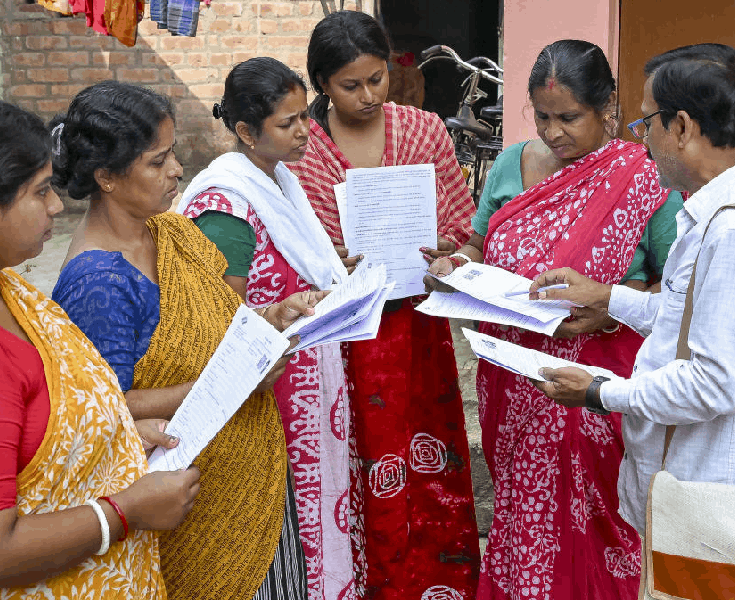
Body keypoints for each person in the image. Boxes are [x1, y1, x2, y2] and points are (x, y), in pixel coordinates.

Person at [531, 42, 735, 594]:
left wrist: (601, 391)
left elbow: (715, 382)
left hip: (720, 503)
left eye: (647, 122)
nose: (643, 139)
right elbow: (689, 317)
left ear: (681, 126)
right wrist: (612, 298)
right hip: (709, 497)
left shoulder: (734, 230)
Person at [0, 95, 199, 598]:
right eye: (41, 193)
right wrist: (126, 511)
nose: (58, 206)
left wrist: (112, 434)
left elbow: (25, 424)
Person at [426, 40, 684, 600]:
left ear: (608, 106)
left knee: (595, 524)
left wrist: (606, 311)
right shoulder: (510, 163)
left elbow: (676, 287)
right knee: (523, 516)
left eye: (569, 118)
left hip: (596, 392)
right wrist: (456, 266)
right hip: (514, 382)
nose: (553, 132)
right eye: (542, 117)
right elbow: (478, 243)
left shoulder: (642, 178)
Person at [50, 81, 325, 600]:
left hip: (249, 478)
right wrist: (230, 382)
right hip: (190, 505)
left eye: (172, 154)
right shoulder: (99, 283)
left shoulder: (167, 233)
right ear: (106, 177)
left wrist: (272, 315)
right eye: (157, 162)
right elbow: (105, 408)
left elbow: (217, 326)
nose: (177, 170)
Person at [288, 10, 481, 600]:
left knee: (429, 450)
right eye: (351, 85)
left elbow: (459, 223)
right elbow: (299, 248)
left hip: (417, 328)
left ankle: (441, 580)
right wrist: (332, 262)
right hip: (348, 339)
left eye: (377, 79)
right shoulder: (304, 150)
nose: (369, 95)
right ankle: (369, 582)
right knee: (363, 455)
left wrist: (447, 247)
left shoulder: (424, 130)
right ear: (321, 83)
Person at [175, 57, 353, 600]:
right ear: (247, 131)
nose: (305, 132)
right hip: (268, 397)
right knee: (281, 527)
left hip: (304, 383)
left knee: (316, 511)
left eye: (305, 117)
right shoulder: (226, 207)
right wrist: (282, 310)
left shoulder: (277, 183)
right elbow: (221, 323)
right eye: (287, 122)